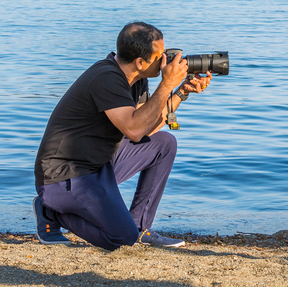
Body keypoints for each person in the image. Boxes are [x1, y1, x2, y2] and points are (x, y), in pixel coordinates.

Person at [32, 21, 213, 250]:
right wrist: (166, 84)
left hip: (98, 165)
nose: (165, 61)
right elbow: (134, 130)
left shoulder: (136, 79)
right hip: (65, 175)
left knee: (165, 143)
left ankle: (139, 227)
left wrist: (182, 91)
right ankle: (51, 211)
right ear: (140, 62)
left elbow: (146, 127)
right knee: (120, 239)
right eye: (160, 56)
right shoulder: (106, 78)